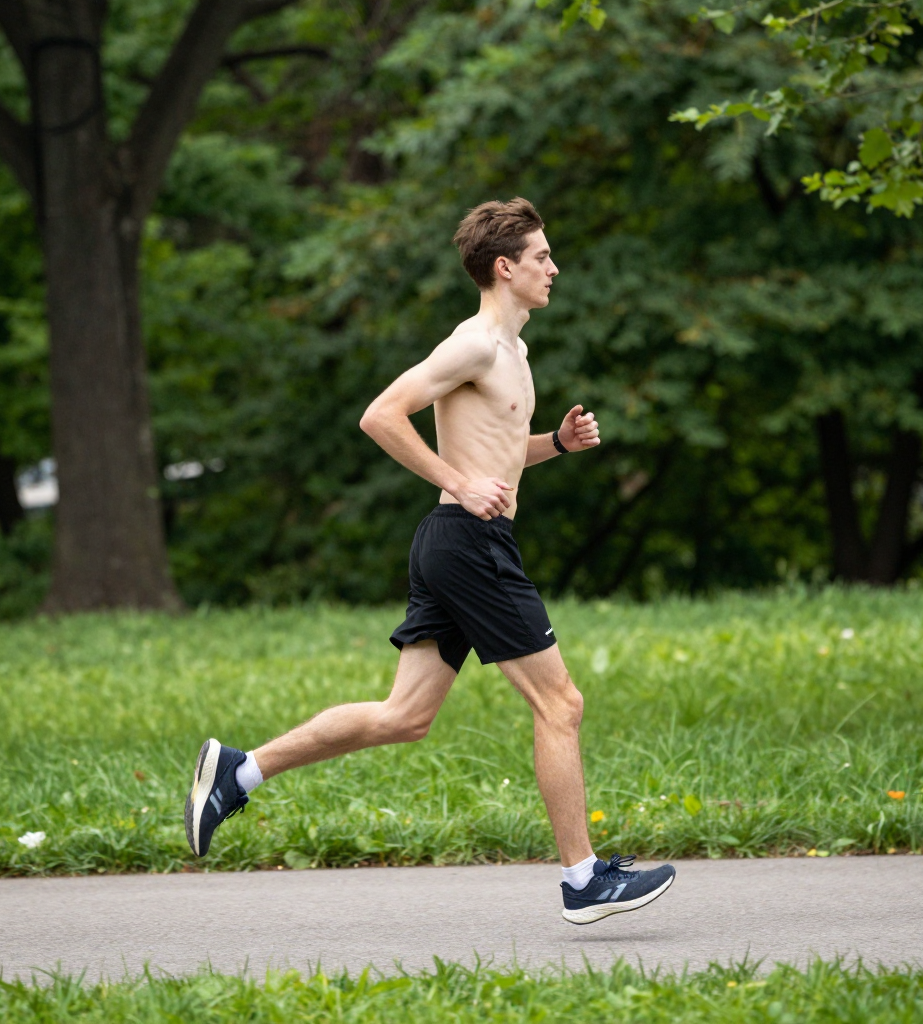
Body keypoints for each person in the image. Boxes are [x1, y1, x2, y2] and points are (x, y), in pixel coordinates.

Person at [184, 197, 676, 924]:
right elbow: (381, 414)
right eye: (542, 257)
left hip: (461, 542)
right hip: (469, 546)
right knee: (560, 703)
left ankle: (240, 771)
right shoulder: (474, 343)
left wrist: (556, 446)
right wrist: (456, 480)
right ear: (505, 268)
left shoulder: (516, 351)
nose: (554, 268)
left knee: (406, 715)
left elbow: (499, 457)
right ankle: (583, 881)